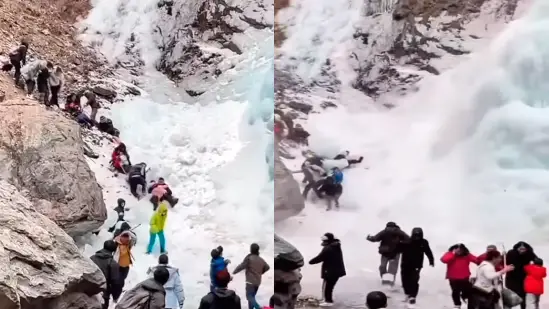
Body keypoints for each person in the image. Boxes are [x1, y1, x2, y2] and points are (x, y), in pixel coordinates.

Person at [397, 227, 434, 305]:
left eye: (418, 235)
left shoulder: (424, 242)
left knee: (414, 280)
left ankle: (412, 296)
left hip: (417, 265)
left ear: (421, 235)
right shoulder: (407, 241)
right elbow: (398, 249)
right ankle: (407, 293)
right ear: (413, 234)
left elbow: (428, 251)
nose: (417, 237)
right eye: (415, 235)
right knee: (405, 280)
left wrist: (431, 260)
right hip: (405, 264)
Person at [308, 233, 346, 307]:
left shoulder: (328, 248)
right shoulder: (335, 246)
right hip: (335, 270)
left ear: (328, 240)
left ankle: (328, 301)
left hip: (330, 271)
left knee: (328, 287)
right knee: (328, 286)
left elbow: (320, 257)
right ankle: (325, 299)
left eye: (324, 241)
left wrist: (311, 262)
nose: (322, 242)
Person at [233, 243, 271, 309]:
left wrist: (234, 272)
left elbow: (242, 266)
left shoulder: (249, 258)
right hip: (257, 282)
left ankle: (258, 307)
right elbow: (267, 267)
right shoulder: (261, 259)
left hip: (250, 282)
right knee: (252, 298)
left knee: (249, 297)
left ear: (251, 250)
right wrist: (261, 272)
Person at [440, 243, 479, 308]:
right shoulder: (450, 254)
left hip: (464, 277)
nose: (459, 252)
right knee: (455, 291)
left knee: (467, 290)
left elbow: (477, 260)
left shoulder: (467, 255)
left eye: (460, 250)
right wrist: (453, 254)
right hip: (453, 278)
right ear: (454, 249)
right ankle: (457, 304)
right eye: (457, 250)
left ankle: (465, 298)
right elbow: (444, 260)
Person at [506, 241, 538, 309]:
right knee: (510, 295)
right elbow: (505, 262)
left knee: (523, 295)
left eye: (523, 249)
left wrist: (533, 266)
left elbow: (537, 261)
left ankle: (523, 308)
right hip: (512, 277)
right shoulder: (511, 252)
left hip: (524, 277)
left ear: (526, 249)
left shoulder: (529, 253)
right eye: (520, 249)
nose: (522, 251)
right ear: (517, 249)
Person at [90, 240, 120, 309]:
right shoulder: (113, 264)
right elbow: (115, 283)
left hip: (88, 291)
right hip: (103, 294)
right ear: (113, 250)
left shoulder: (92, 258)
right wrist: (115, 296)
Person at [113, 227, 136, 299]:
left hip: (126, 266)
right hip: (118, 266)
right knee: (119, 282)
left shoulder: (128, 245)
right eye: (124, 237)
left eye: (127, 237)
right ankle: (115, 296)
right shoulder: (117, 244)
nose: (126, 239)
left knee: (121, 281)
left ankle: (116, 295)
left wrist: (128, 232)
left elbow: (134, 238)